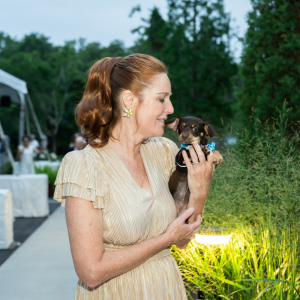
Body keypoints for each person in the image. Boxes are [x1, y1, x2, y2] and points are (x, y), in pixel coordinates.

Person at [54, 54, 214, 299]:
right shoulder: (84, 165)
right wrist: (164, 240)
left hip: (166, 288)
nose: (170, 109)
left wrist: (200, 191)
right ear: (129, 100)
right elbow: (91, 271)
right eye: (161, 99)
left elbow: (182, 241)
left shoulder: (164, 152)